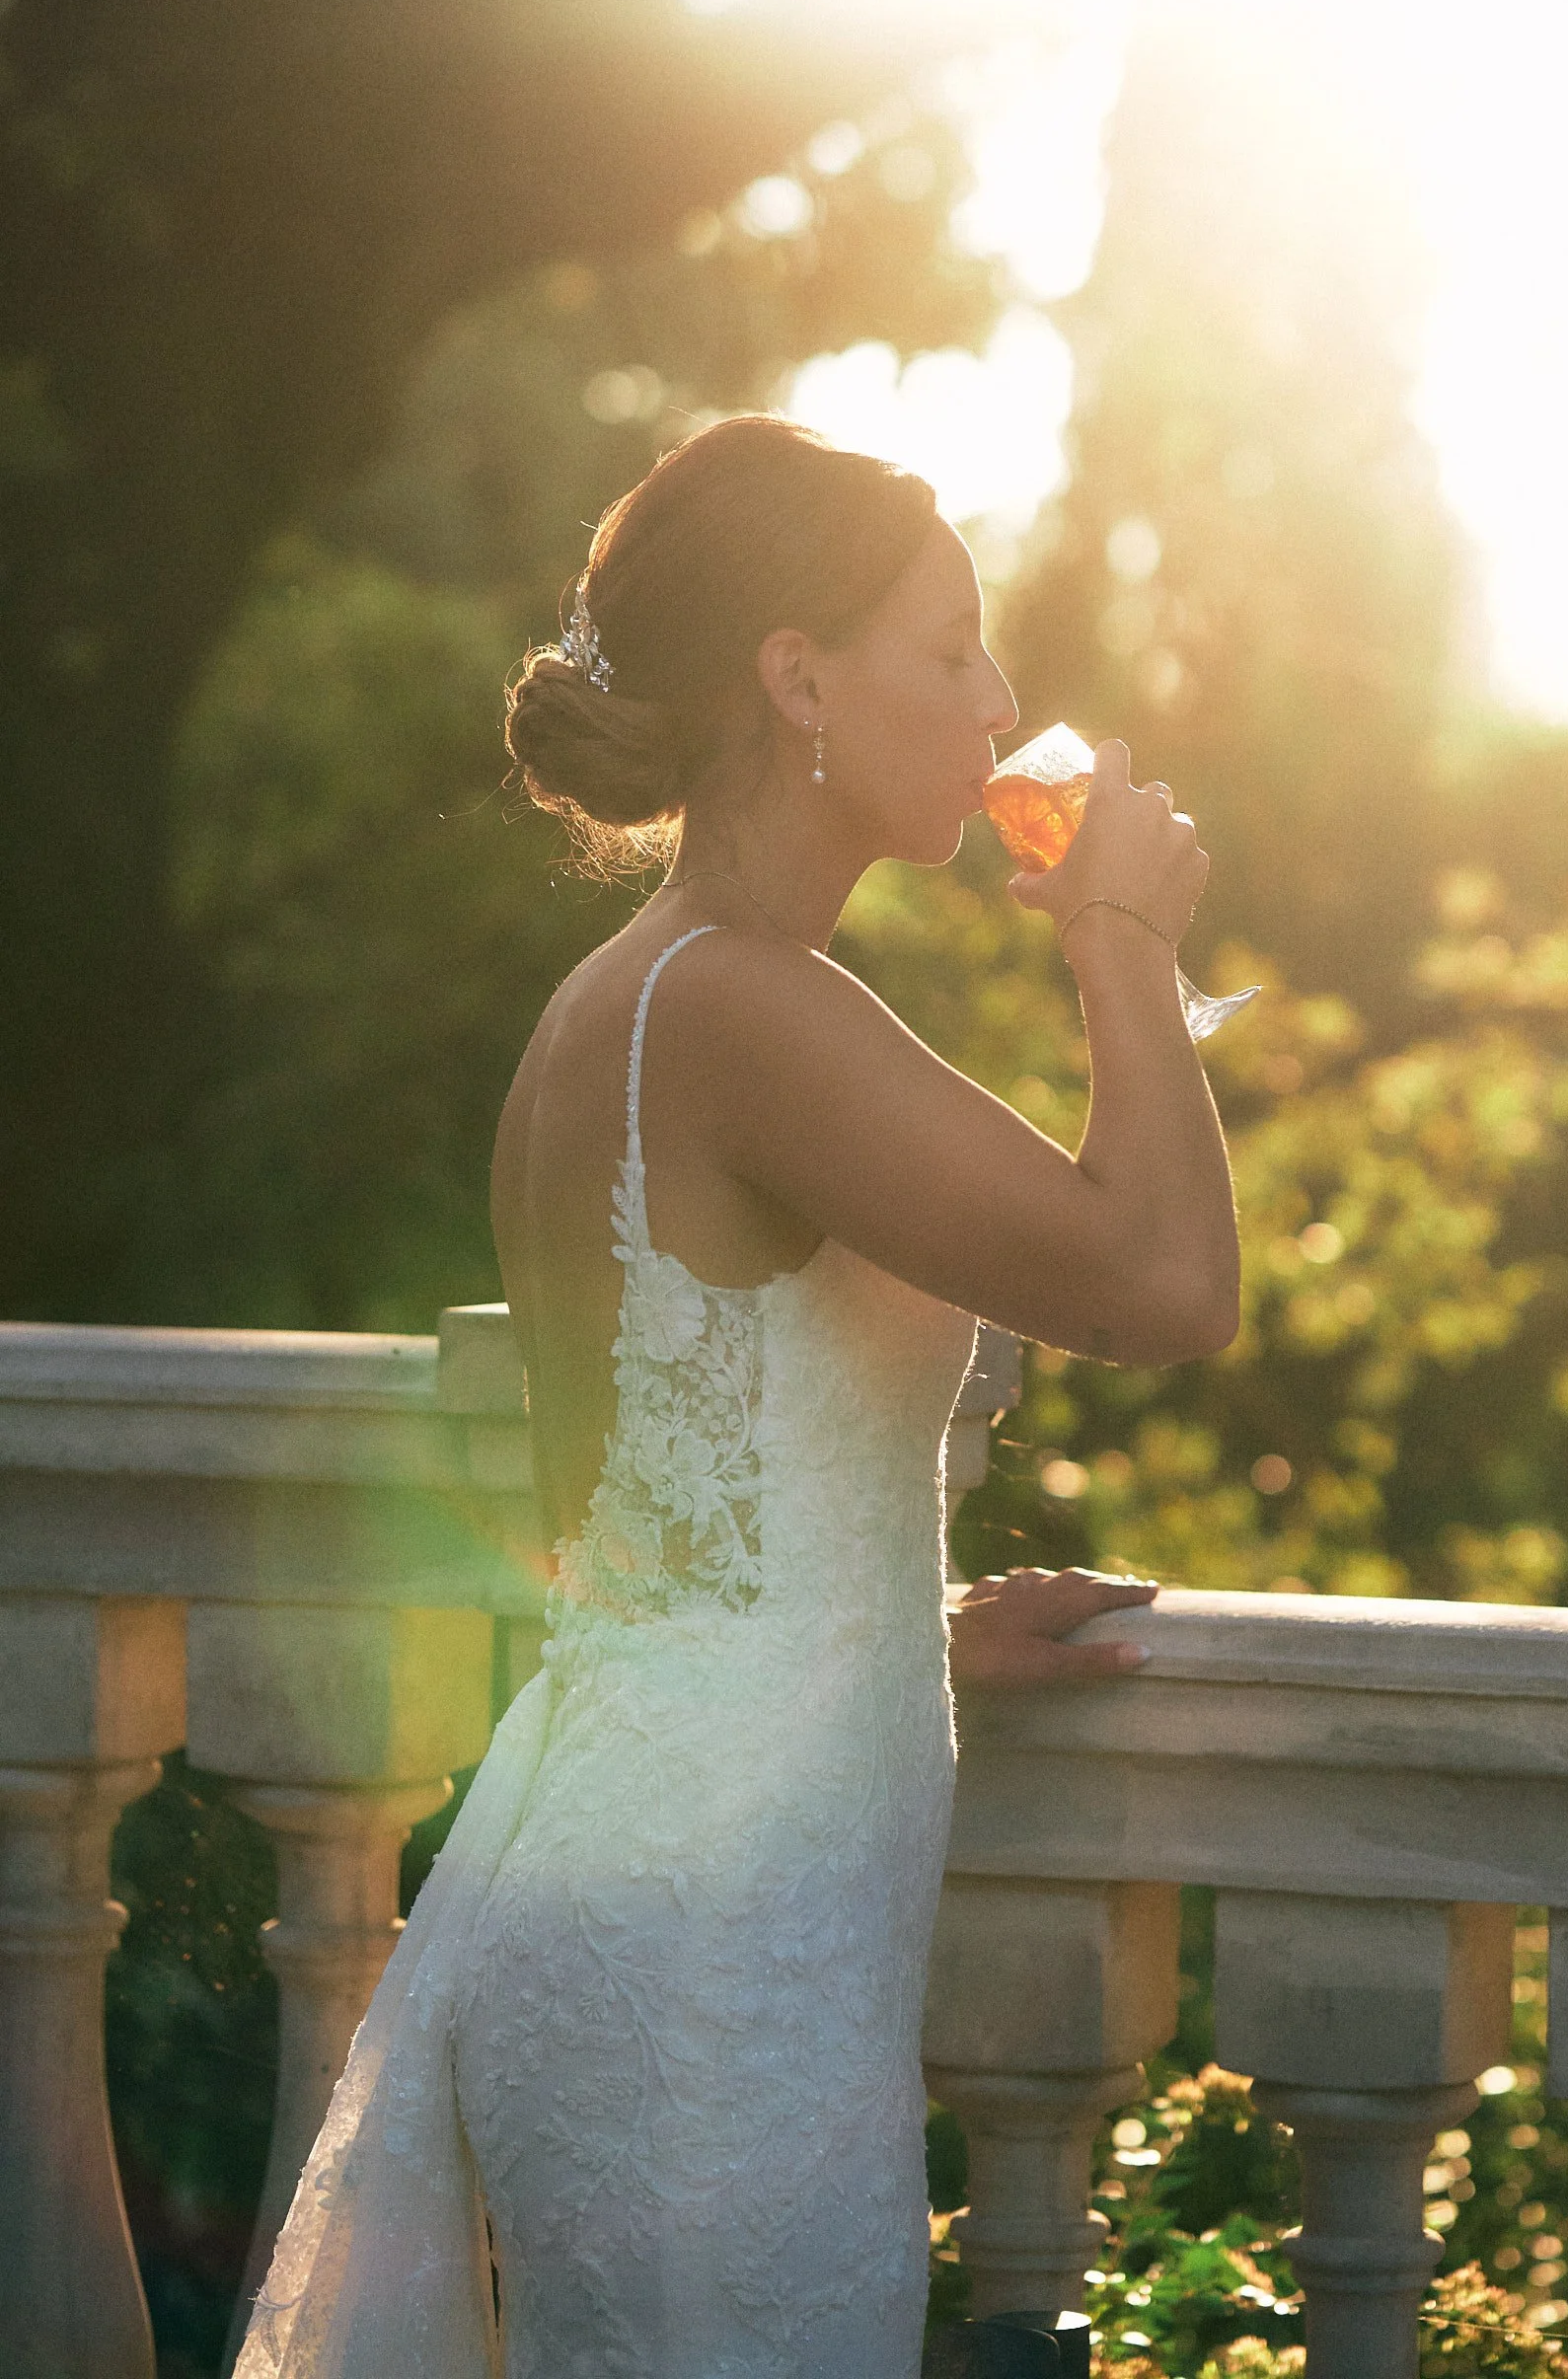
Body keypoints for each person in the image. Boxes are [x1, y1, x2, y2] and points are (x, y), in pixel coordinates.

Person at [233, 413, 1240, 2379]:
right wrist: (1121, 936)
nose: (998, 697)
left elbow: (669, 1521)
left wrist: (903, 1625)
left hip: (663, 1897)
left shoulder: (652, 995)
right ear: (798, 677)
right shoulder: (735, 1006)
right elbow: (1164, 1284)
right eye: (948, 649)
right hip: (700, 1983)